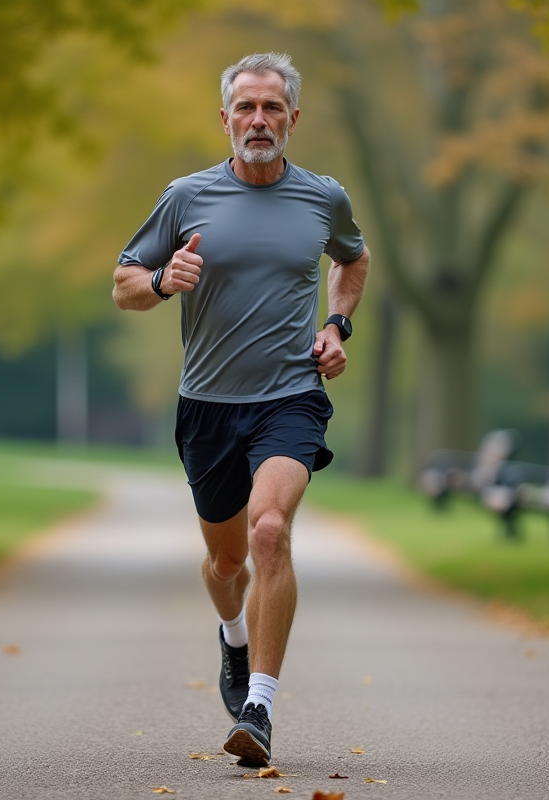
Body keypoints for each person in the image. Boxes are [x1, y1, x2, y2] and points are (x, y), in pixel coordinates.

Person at [112, 52, 371, 767]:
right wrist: (163, 280)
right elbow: (124, 284)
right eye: (247, 108)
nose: (259, 120)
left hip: (290, 397)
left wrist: (336, 325)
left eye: (272, 108)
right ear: (224, 118)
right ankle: (233, 636)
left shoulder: (323, 198)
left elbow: (353, 258)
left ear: (293, 119)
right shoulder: (186, 197)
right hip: (207, 406)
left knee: (269, 530)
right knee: (226, 563)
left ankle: (258, 706)